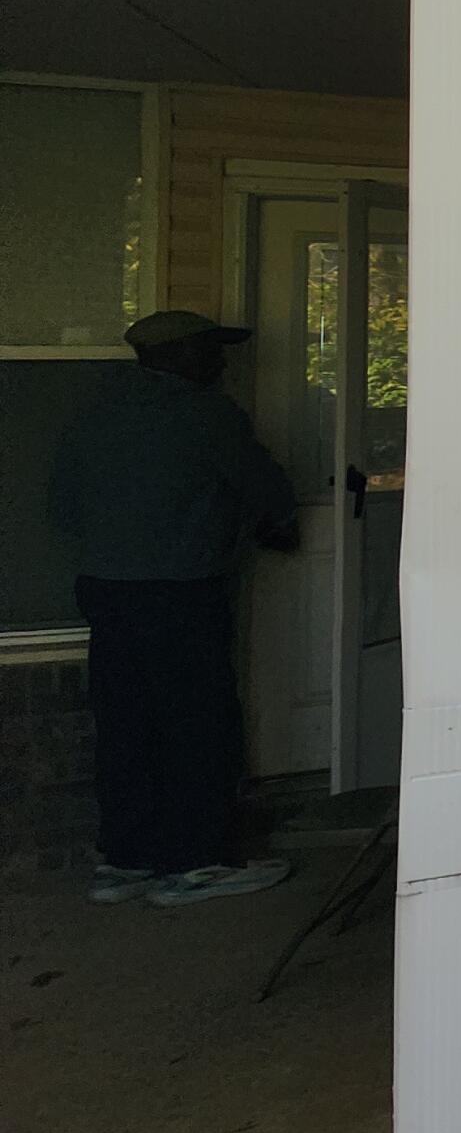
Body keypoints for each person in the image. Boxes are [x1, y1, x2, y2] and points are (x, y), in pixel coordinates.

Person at [48, 309, 303, 905]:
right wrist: (273, 525)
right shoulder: (205, 414)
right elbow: (263, 487)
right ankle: (195, 862)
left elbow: (62, 508)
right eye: (211, 350)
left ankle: (126, 859)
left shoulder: (93, 415)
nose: (220, 362)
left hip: (106, 588)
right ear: (179, 355)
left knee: (124, 723)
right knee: (197, 722)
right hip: (182, 591)